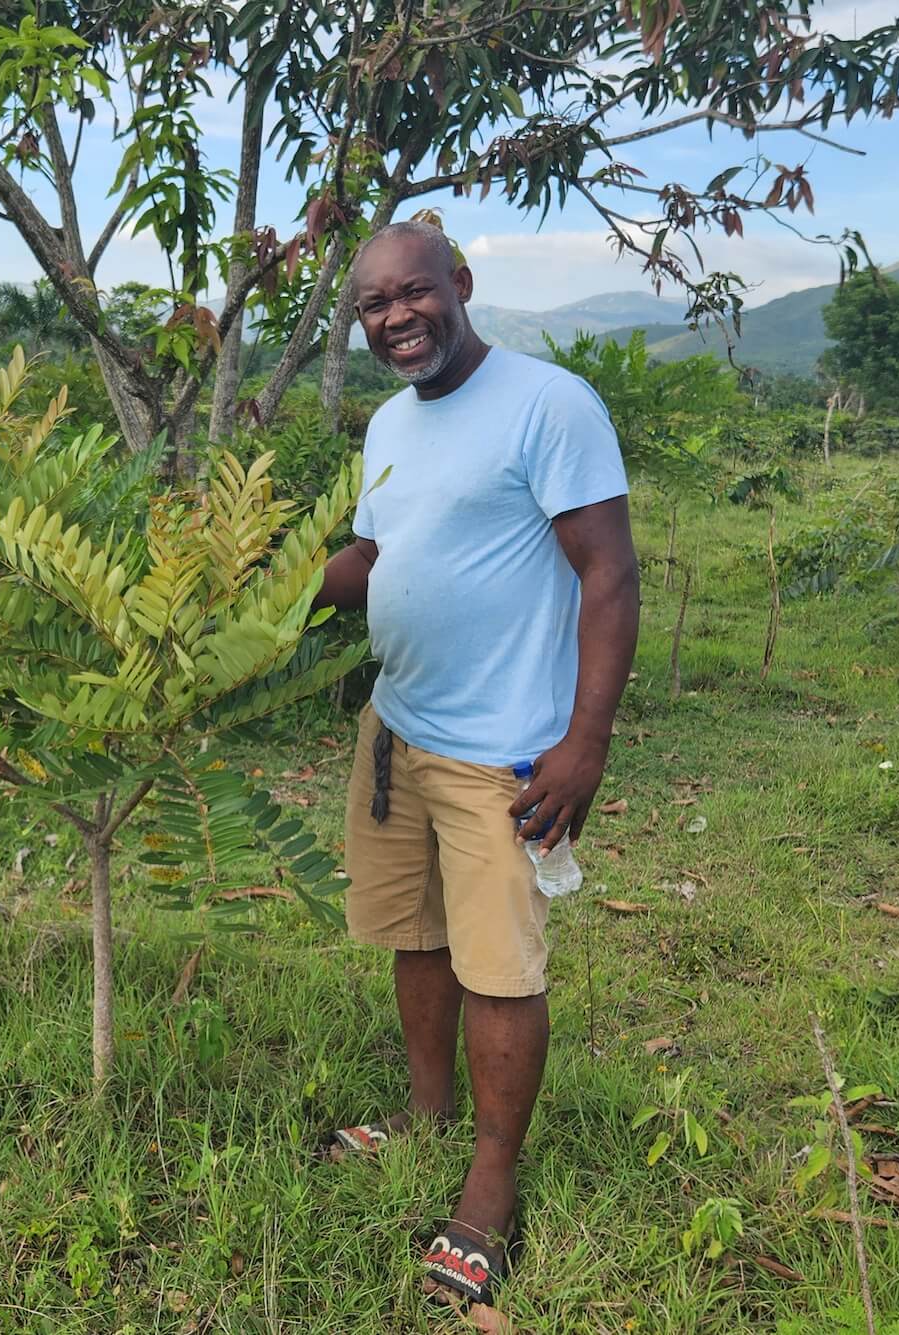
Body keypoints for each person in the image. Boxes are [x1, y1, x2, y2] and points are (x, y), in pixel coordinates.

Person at [313, 220, 640, 1313]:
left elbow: (605, 573)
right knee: (416, 935)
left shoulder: (550, 404)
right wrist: (258, 588)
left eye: (414, 293)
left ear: (459, 284)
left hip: (502, 749)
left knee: (500, 968)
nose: (396, 317)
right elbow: (376, 556)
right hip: (397, 729)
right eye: (372, 306)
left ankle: (488, 1189)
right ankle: (424, 1111)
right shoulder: (387, 422)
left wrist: (583, 742)